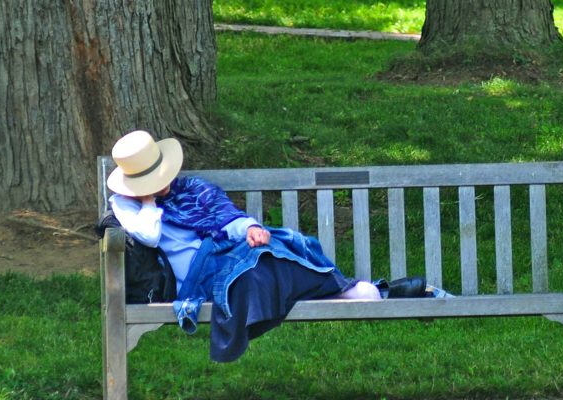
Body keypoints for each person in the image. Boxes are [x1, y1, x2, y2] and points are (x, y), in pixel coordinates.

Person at [105, 130, 430, 361]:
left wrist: (251, 228)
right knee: (254, 272)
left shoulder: (192, 188)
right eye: (151, 180)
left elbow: (226, 218)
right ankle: (360, 291)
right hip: (195, 277)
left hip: (224, 251)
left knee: (282, 244)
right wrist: (148, 200)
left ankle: (349, 290)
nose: (162, 184)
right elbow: (147, 235)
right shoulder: (126, 204)